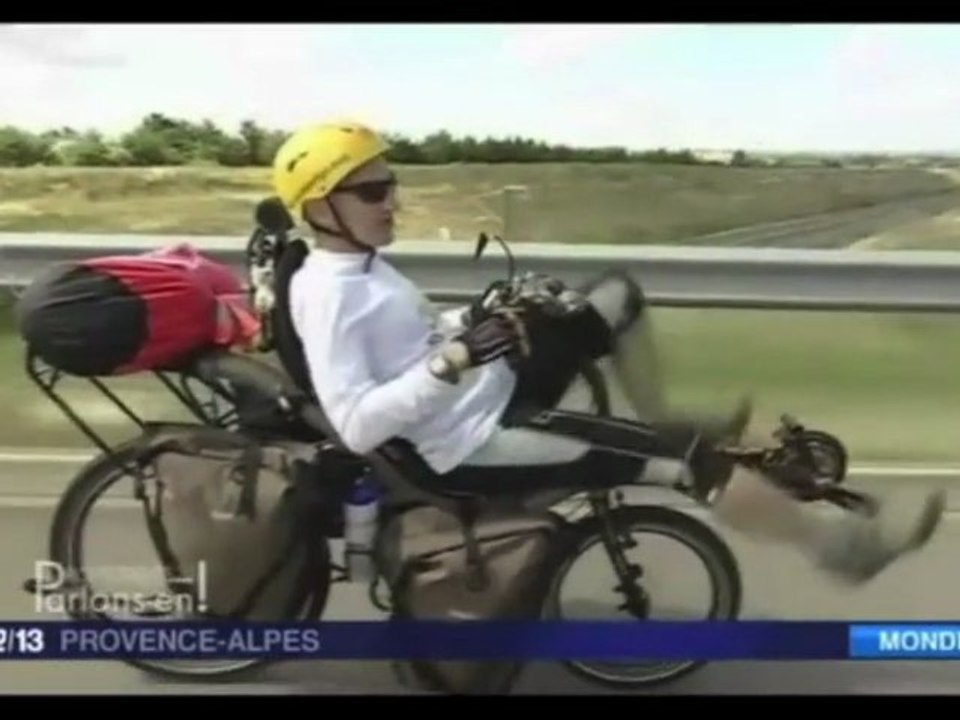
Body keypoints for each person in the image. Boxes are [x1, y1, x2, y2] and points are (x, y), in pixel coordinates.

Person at [270, 120, 945, 586]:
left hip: (484, 386)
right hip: (470, 440)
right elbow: (357, 423)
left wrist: (475, 319)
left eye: (390, 185)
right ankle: (843, 550)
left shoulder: (362, 268)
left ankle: (661, 411)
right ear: (322, 206)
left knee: (614, 298)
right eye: (373, 191)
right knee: (683, 461)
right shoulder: (330, 294)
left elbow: (412, 342)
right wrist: (452, 362)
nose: (393, 201)